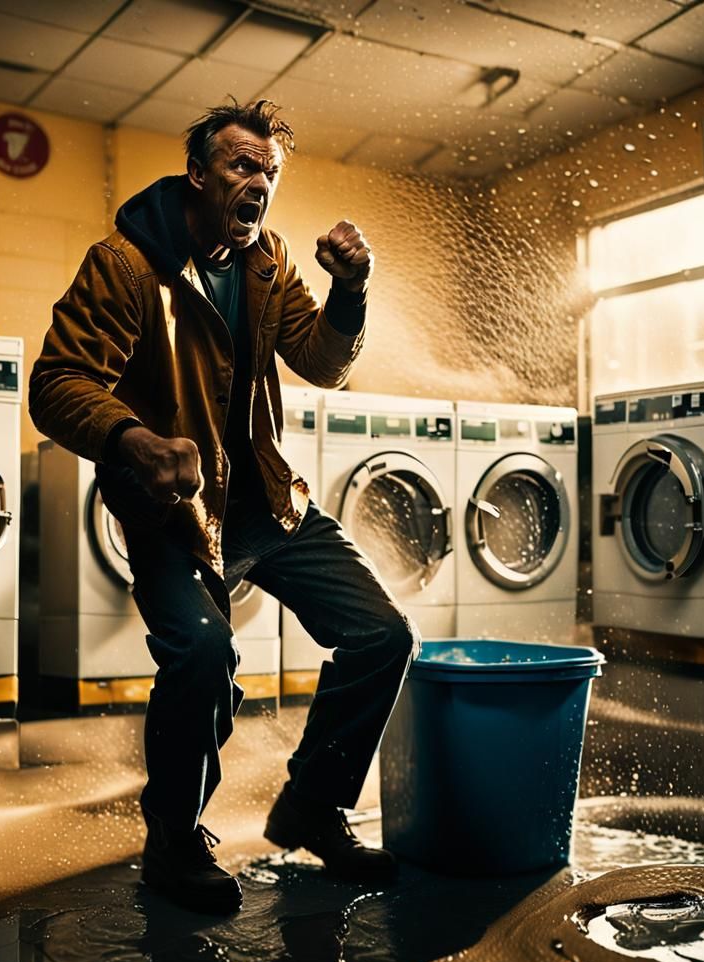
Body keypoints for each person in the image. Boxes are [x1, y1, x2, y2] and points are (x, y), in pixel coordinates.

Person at [29, 98, 419, 915]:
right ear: (198, 173)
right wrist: (137, 441)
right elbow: (57, 384)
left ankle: (314, 805)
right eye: (243, 166)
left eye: (270, 173)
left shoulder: (267, 260)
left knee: (382, 634)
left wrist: (352, 292)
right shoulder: (126, 266)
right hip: (173, 512)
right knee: (205, 656)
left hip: (265, 502)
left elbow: (321, 362)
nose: (259, 185)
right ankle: (173, 839)